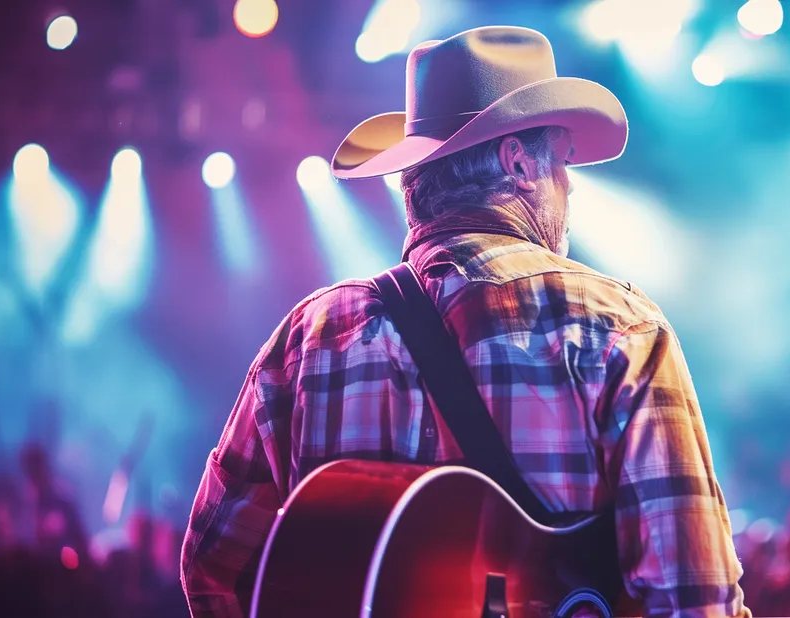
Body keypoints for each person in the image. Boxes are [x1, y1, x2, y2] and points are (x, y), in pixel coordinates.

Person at [181, 25, 750, 618]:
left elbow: (213, 564)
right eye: (561, 161)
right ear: (518, 162)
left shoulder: (309, 339)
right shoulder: (618, 331)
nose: (569, 187)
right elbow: (693, 596)